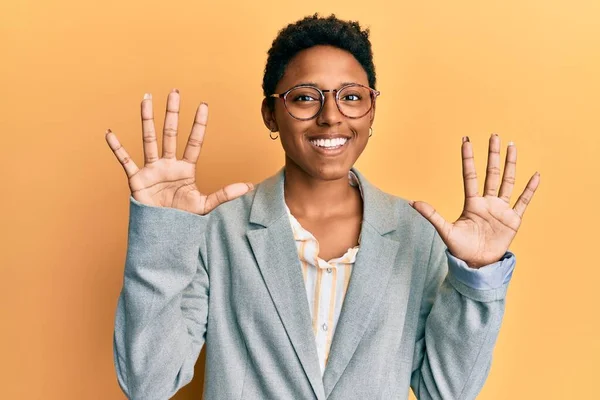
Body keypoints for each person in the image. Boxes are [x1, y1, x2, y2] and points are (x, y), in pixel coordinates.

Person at [106, 14, 540, 400]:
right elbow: (147, 383)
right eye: (305, 97)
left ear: (371, 112)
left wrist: (477, 278)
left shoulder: (417, 234)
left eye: (351, 96)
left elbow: (447, 392)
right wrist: (161, 234)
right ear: (270, 115)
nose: (331, 115)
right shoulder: (219, 229)